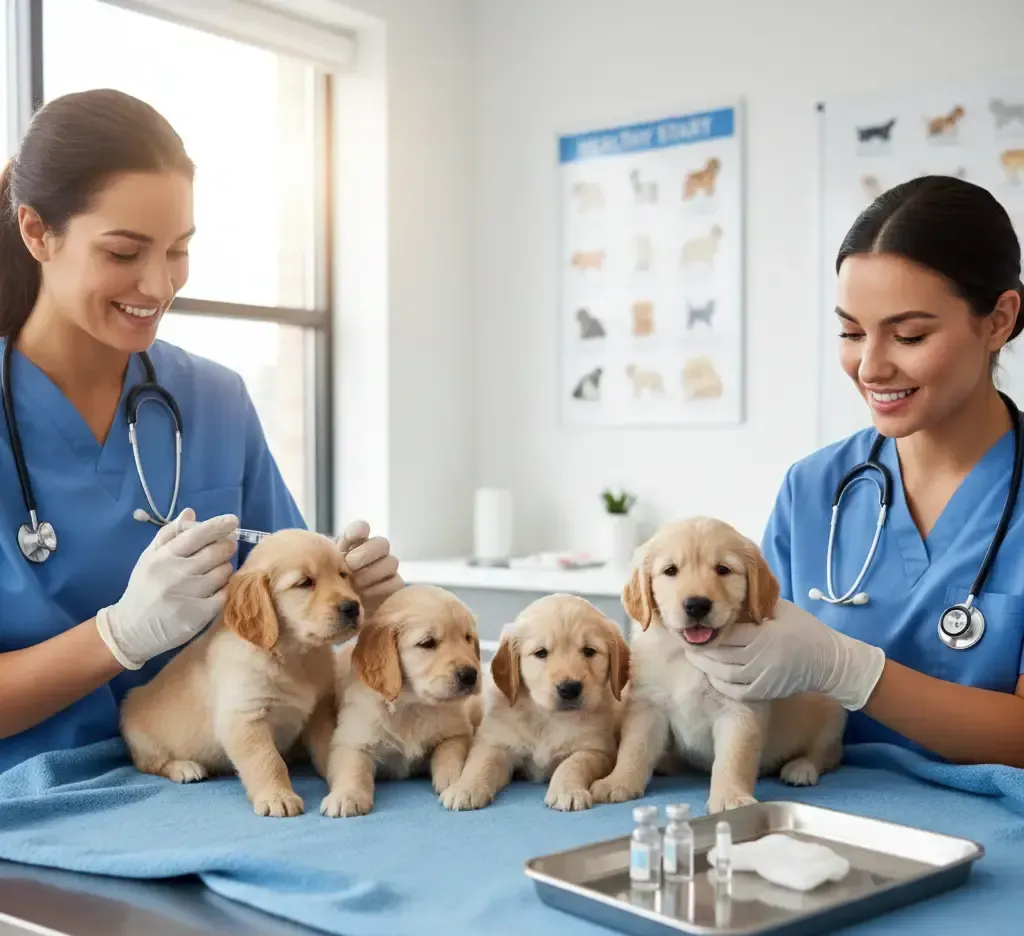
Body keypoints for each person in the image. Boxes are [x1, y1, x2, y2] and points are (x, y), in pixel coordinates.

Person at [0, 89, 402, 772]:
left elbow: (293, 621)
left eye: (179, 250)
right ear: (37, 232)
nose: (158, 285)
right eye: (124, 252)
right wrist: (118, 638)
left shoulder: (215, 401)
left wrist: (355, 593)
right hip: (31, 795)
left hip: (212, 775)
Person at [689, 175, 1024, 768]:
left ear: (998, 320)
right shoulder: (813, 489)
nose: (869, 367)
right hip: (812, 801)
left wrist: (853, 671)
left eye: (909, 335)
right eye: (851, 332)